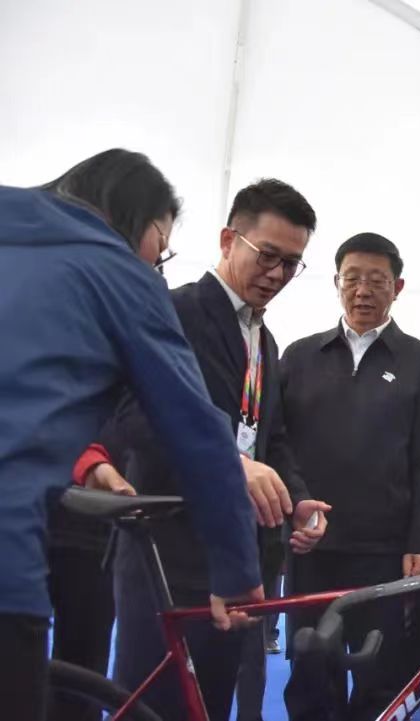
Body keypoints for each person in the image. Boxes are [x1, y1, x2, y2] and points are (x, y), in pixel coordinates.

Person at [0, 149, 262, 721]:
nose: (158, 264)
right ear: (137, 220)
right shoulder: (122, 277)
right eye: (161, 246)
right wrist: (237, 571)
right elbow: (196, 432)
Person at [93, 179, 330, 721]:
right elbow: (135, 416)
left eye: (291, 264)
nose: (277, 274)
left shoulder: (264, 340)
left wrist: (297, 499)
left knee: (212, 703)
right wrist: (228, 461)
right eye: (267, 255)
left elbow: (270, 436)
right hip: (167, 550)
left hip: (235, 556)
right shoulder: (171, 310)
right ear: (228, 240)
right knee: (153, 705)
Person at [281, 233, 420, 721]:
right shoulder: (300, 356)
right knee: (311, 676)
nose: (363, 291)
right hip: (313, 549)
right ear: (336, 282)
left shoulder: (418, 360)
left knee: (384, 679)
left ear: (398, 287)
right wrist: (296, 507)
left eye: (377, 280)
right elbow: (279, 444)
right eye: (352, 278)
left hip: (385, 554)